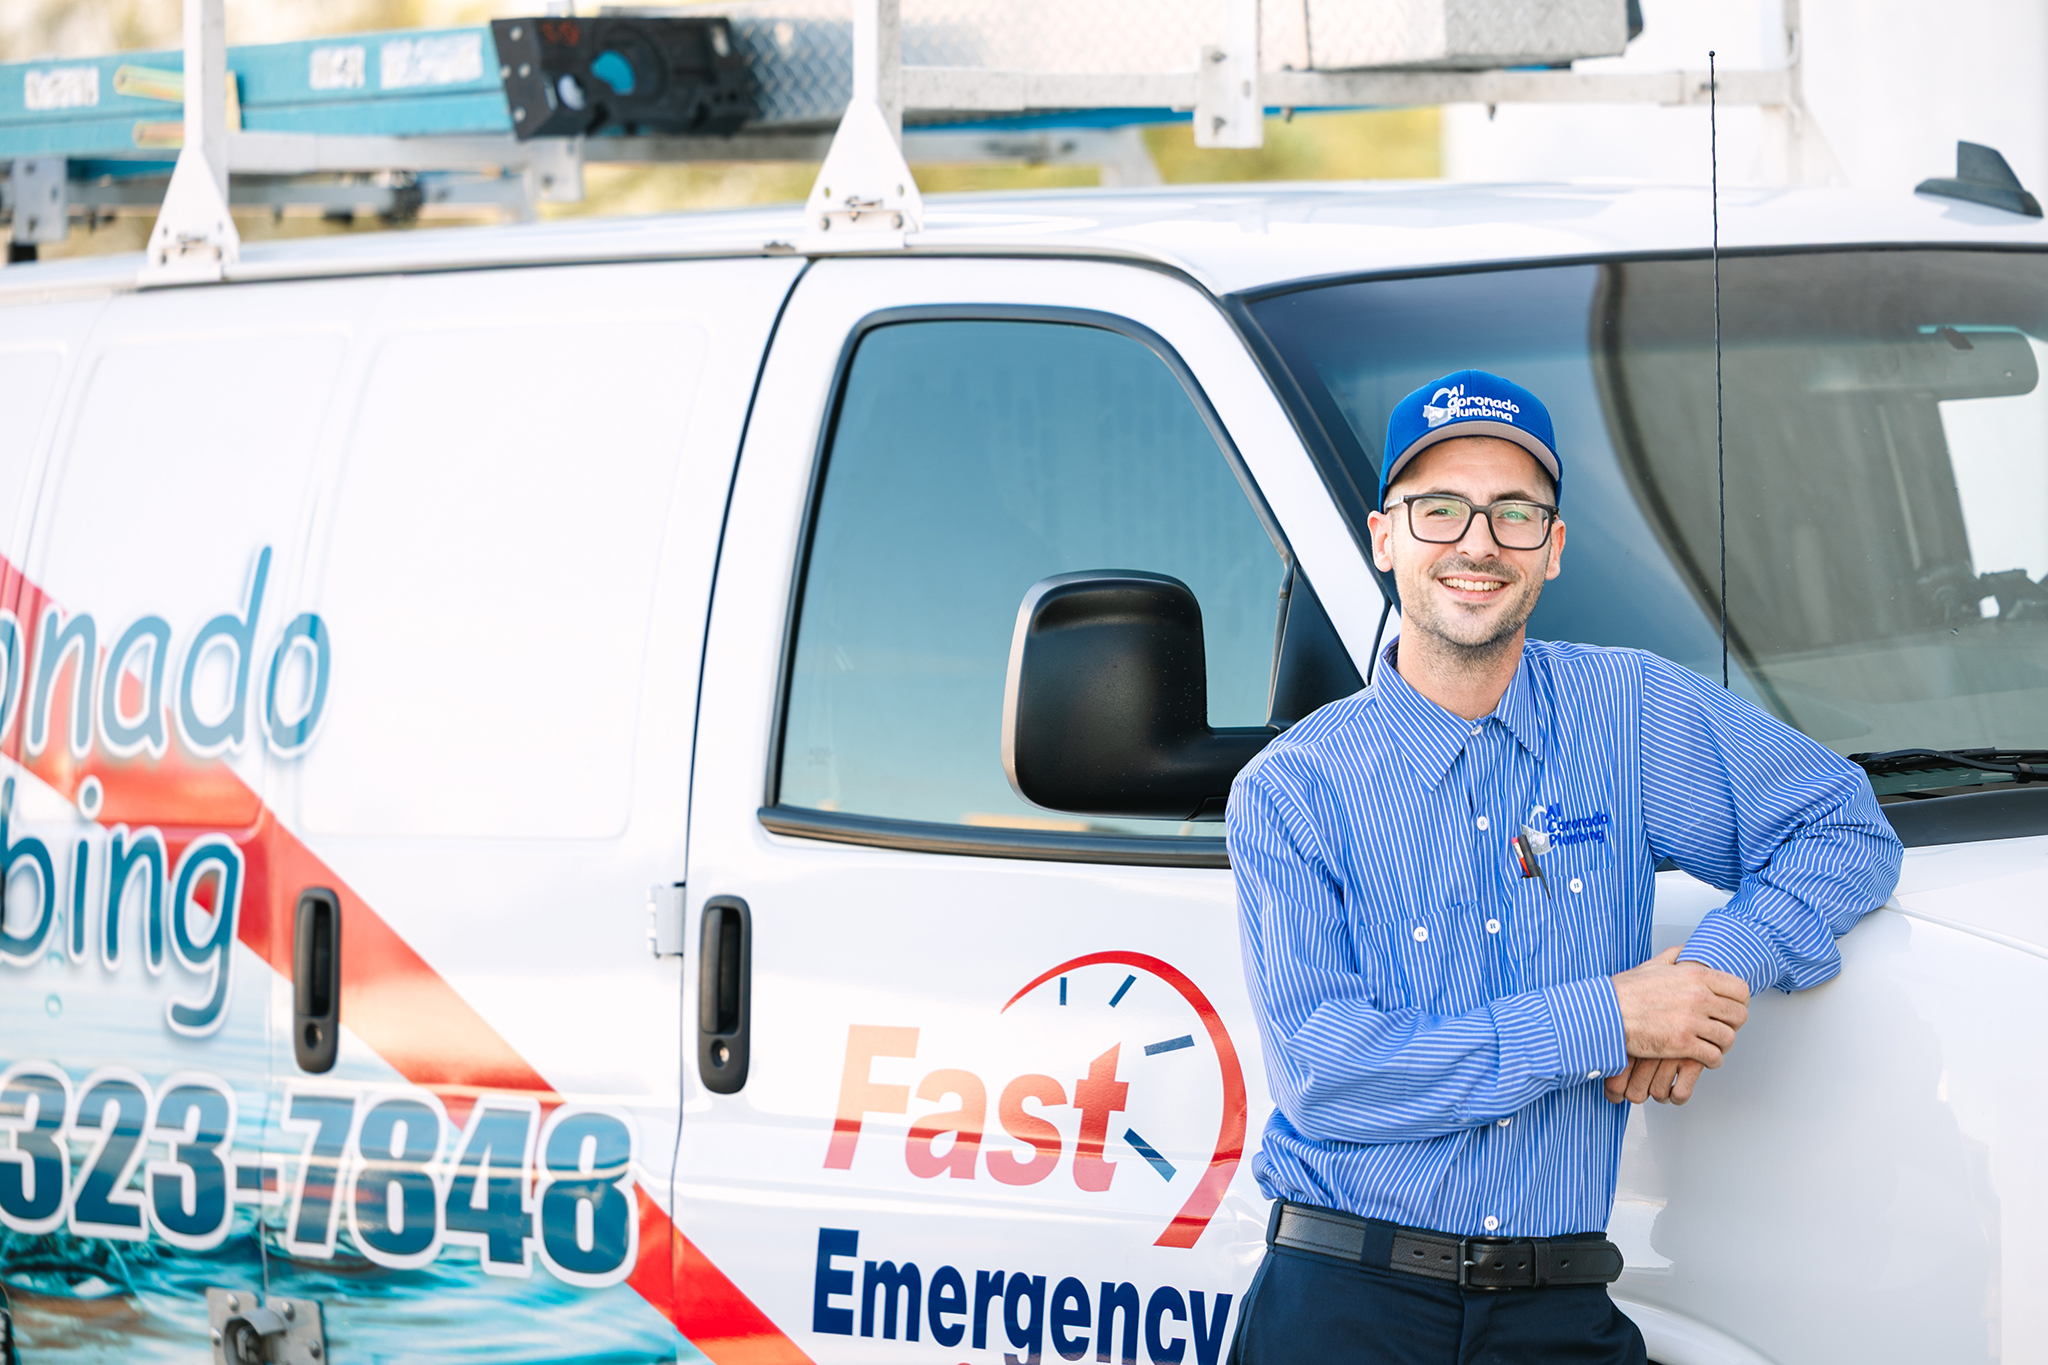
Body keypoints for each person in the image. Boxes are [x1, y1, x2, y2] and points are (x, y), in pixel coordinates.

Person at [1224, 369, 1904, 1365]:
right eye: (1438, 510)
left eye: (1514, 514)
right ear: (1383, 538)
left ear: (1552, 549)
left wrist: (1711, 971)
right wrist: (1611, 1018)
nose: (1475, 543)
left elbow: (1838, 826)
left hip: (1557, 1310)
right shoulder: (1294, 790)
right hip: (1343, 1305)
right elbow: (1329, 1075)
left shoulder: (1625, 715)